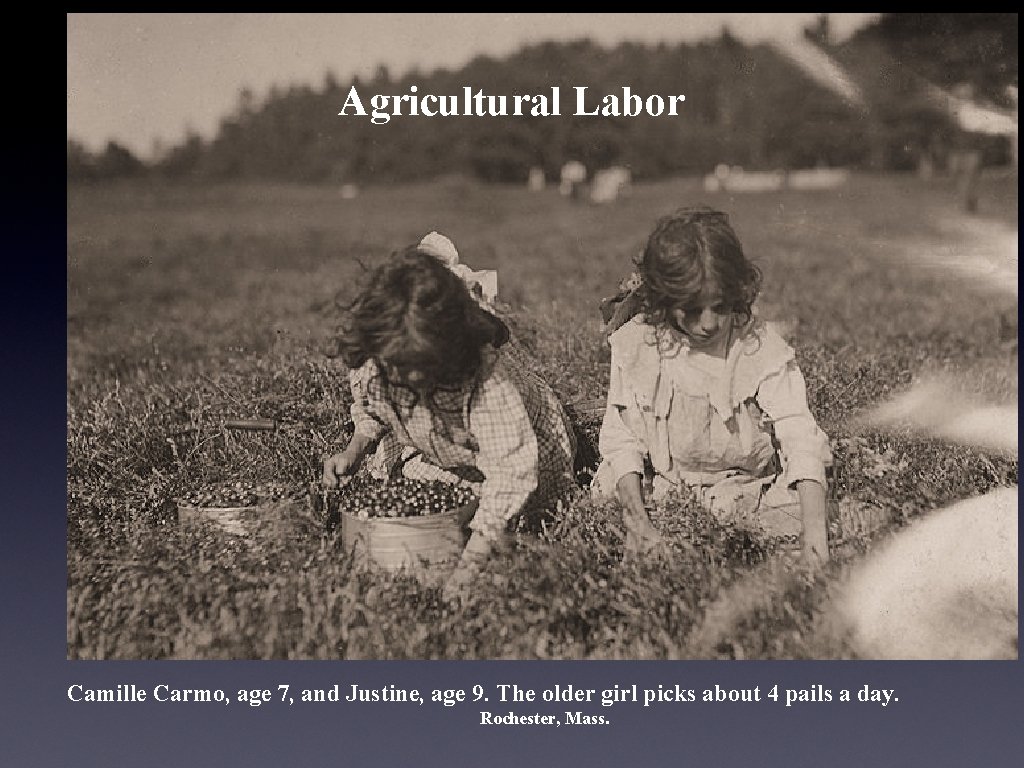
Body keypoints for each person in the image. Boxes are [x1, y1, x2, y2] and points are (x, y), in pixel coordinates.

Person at [322, 235, 578, 597]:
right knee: (415, 493)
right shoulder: (378, 357)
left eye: (418, 371)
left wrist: (469, 567)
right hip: (445, 447)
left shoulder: (486, 381)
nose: (405, 379)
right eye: (396, 370)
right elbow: (372, 408)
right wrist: (354, 449)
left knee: (515, 527)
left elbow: (510, 474)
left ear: (450, 352)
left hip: (523, 450)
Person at [593, 206, 832, 565]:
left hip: (743, 483)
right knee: (610, 490)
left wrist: (815, 540)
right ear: (664, 300)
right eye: (691, 310)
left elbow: (798, 432)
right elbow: (622, 440)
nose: (708, 324)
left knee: (801, 506)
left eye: (719, 307)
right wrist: (638, 522)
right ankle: (647, 528)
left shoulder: (756, 346)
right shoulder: (639, 345)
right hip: (665, 483)